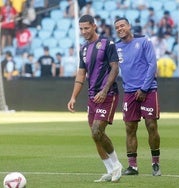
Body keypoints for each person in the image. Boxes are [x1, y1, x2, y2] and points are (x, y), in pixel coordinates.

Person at [67, 14, 122, 183]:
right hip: (92, 96)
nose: (84, 31)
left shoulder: (107, 44)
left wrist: (105, 90)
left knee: (97, 130)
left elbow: (115, 68)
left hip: (108, 94)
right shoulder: (83, 49)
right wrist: (73, 97)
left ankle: (117, 165)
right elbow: (81, 74)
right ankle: (109, 170)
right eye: (81, 29)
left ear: (94, 26)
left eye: (86, 28)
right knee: (95, 135)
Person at [114, 17, 161, 176]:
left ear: (129, 26)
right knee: (130, 128)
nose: (120, 29)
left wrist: (144, 88)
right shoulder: (116, 47)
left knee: (151, 125)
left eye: (122, 26)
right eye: (117, 27)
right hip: (129, 93)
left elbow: (152, 65)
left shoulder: (144, 41)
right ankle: (132, 167)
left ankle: (155, 163)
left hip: (148, 90)